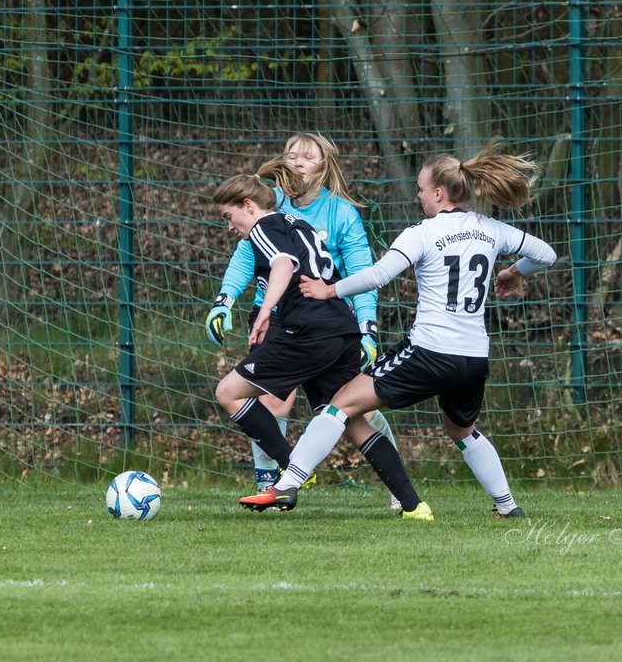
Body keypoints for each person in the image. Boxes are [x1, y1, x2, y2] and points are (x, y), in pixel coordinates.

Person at [239, 141, 556, 519]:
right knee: (462, 431)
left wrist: (329, 289)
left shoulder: (421, 233)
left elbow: (378, 275)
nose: (419, 196)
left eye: (422, 189)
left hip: (429, 352)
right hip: (473, 357)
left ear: (439, 193)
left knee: (339, 403)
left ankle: (287, 485)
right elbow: (546, 254)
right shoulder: (490, 229)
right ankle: (508, 507)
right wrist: (512, 271)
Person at [212, 162, 431, 520]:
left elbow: (283, 265)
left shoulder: (264, 226)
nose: (230, 225)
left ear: (248, 205)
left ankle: (291, 469)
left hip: (308, 332)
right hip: (340, 328)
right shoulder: (298, 224)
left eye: (229, 215)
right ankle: (413, 505)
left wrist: (266, 311)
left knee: (228, 392)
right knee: (352, 420)